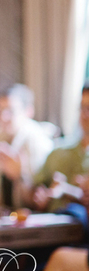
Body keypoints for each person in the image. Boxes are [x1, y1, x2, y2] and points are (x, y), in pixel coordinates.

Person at [0, 84, 53, 209]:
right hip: (2, 213)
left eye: (10, 111)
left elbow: (38, 201)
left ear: (29, 111)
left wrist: (19, 174)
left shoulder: (37, 141)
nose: (3, 117)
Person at [30, 83, 89, 213]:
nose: (85, 114)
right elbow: (34, 191)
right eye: (82, 108)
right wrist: (40, 197)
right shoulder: (58, 151)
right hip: (51, 222)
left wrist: (67, 190)